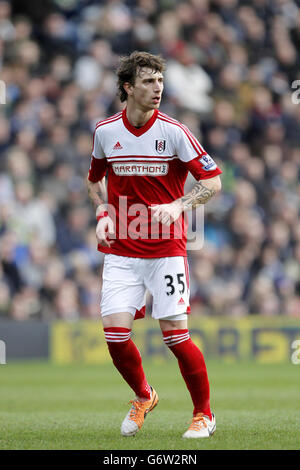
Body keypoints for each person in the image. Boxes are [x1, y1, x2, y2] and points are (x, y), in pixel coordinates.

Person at [86, 51, 222, 439]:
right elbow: (94, 180)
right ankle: (144, 395)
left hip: (166, 250)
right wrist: (102, 214)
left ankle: (204, 415)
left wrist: (178, 205)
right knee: (114, 336)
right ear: (128, 87)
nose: (157, 88)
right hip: (122, 251)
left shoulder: (175, 131)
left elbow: (212, 182)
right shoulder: (106, 132)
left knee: (176, 337)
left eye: (160, 81)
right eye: (148, 81)